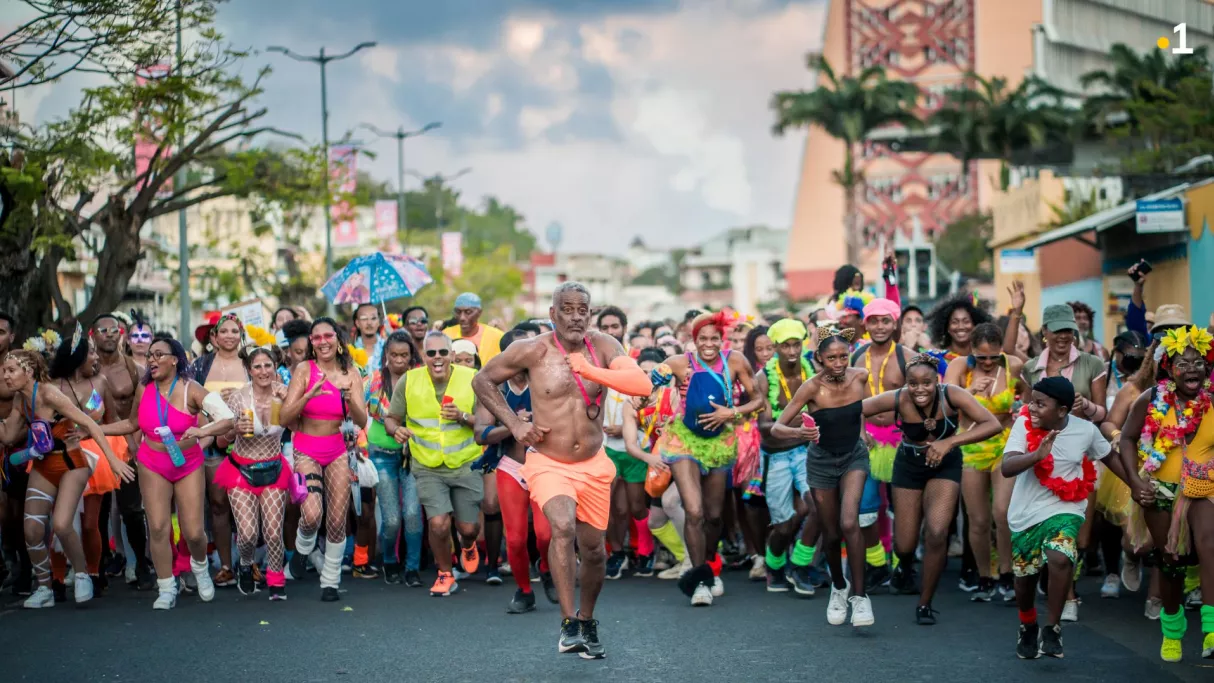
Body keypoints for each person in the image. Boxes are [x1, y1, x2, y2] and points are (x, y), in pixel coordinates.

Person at [472, 281, 652, 659]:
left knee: (595, 552)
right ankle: (568, 623)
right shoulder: (532, 350)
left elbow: (640, 383)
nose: (575, 317)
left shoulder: (604, 346)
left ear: (590, 314)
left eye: (582, 310)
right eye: (566, 309)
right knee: (563, 527)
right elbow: (482, 380)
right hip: (547, 462)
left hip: (594, 464)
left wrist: (590, 369)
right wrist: (516, 424)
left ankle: (587, 619)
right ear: (553, 314)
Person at [862, 353, 1002, 624]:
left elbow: (992, 424)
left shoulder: (953, 394)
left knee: (937, 532)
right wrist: (862, 434)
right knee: (905, 544)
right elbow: (857, 408)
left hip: (945, 466)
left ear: (936, 381)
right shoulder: (898, 398)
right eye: (913, 383)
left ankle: (925, 603)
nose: (919, 389)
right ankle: (903, 564)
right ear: (906, 383)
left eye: (926, 383)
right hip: (909, 466)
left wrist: (950, 442)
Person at [102, 336, 234, 610]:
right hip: (153, 462)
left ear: (175, 359)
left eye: (159, 354)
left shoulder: (192, 390)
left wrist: (203, 431)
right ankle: (166, 587)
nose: (152, 360)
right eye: (149, 355)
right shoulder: (143, 389)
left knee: (194, 532)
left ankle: (199, 568)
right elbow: (132, 423)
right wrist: (96, 430)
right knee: (159, 528)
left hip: (187, 463)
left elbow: (228, 419)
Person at [1002, 377, 1125, 660]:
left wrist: (1137, 484)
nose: (1031, 407)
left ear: (1062, 410)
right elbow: (1007, 468)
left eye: (1040, 403)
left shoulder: (1085, 431)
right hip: (1025, 514)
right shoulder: (1024, 425)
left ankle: (1052, 628)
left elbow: (1110, 458)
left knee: (1060, 556)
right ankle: (1028, 624)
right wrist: (1036, 455)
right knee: (1024, 578)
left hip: (1066, 508)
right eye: (1032, 400)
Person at [2, 346, 132, 608]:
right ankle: (44, 588)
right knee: (32, 530)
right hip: (43, 466)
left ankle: (82, 574)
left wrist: (113, 459)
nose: (5, 376)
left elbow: (91, 423)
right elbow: (7, 436)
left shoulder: (50, 394)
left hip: (72, 463)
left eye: (10, 370)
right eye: (3, 370)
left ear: (28, 372)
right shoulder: (20, 400)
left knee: (62, 524)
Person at [651, 309, 763, 607]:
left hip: (719, 442)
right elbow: (650, 383)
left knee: (714, 517)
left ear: (721, 339)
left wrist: (733, 412)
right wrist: (652, 382)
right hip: (684, 442)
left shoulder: (736, 361)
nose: (709, 344)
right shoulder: (679, 363)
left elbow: (758, 399)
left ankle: (710, 565)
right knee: (695, 510)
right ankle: (699, 580)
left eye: (714, 338)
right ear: (693, 339)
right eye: (703, 339)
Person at [1119, 324, 1214, 663]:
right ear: (1169, 368)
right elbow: (1127, 440)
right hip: (1159, 489)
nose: (1192, 369)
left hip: (1205, 490)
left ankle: (1212, 631)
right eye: (1183, 363)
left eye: (1199, 362)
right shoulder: (1152, 399)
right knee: (1171, 561)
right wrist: (1135, 481)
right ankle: (1172, 631)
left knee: (1210, 547)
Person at [771, 324, 873, 627]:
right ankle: (838, 588)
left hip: (854, 456)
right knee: (830, 534)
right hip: (821, 462)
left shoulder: (860, 376)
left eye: (844, 356)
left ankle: (860, 597)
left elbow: (862, 409)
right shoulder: (811, 387)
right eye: (832, 358)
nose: (839, 363)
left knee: (849, 522)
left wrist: (864, 432)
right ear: (819, 358)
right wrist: (799, 432)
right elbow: (777, 428)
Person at [1022, 303, 1108, 621]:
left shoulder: (1092, 363)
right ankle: (1067, 595)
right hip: (1043, 453)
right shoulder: (1031, 368)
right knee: (1047, 527)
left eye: (1068, 330)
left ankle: (1061, 577)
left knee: (1080, 536)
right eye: (1056, 329)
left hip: (1081, 453)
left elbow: (1104, 414)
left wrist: (1086, 408)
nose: (1063, 336)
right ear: (1044, 332)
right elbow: (1026, 410)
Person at [385, 332, 484, 597]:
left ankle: (468, 544)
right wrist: (397, 430)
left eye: (442, 353)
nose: (437, 358)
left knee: (468, 528)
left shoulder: (472, 378)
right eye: (431, 353)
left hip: (465, 463)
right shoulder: (409, 380)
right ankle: (445, 574)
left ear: (452, 355)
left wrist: (463, 417)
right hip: (427, 466)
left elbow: (489, 422)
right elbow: (392, 418)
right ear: (424, 356)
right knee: (439, 524)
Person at [279, 318, 368, 602]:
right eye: (316, 338)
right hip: (305, 448)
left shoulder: (351, 373)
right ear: (311, 345)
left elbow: (362, 419)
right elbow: (285, 417)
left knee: (337, 520)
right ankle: (302, 552)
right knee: (312, 514)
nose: (323, 341)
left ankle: (330, 581)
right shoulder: (304, 370)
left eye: (328, 335)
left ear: (338, 340)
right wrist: (308, 395)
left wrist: (349, 399)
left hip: (339, 449)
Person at [474, 327, 558, 613]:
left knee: (546, 534)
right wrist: (513, 423)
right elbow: (480, 435)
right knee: (517, 538)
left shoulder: (546, 382)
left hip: (544, 464)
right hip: (510, 466)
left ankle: (545, 568)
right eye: (520, 351)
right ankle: (524, 591)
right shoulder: (495, 388)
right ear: (507, 356)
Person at [943, 322, 1025, 604]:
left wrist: (1020, 409)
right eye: (982, 357)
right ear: (971, 351)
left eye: (993, 356)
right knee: (977, 519)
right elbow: (945, 405)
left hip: (1005, 445)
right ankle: (984, 577)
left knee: (1002, 512)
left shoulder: (1013, 365)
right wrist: (970, 392)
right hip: (970, 445)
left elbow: (1029, 395)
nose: (988, 363)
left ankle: (1007, 574)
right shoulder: (959, 368)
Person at [50, 332, 127, 597]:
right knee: (58, 522)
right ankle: (57, 579)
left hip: (95, 456)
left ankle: (93, 573)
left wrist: (89, 431)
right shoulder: (53, 385)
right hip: (59, 455)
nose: (96, 357)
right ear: (76, 358)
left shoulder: (101, 382)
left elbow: (113, 421)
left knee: (90, 523)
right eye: (90, 353)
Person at [213, 348, 291, 599]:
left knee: (272, 532)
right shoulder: (238, 398)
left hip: (273, 468)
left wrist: (290, 402)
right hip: (241, 471)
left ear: (276, 366)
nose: (263, 371)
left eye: (268, 365)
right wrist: (234, 429)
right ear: (248, 370)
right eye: (257, 367)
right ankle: (245, 564)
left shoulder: (285, 394)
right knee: (247, 534)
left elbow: (300, 425)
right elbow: (221, 443)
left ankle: (276, 579)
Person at [755, 318, 822, 594]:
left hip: (807, 453)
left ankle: (800, 563)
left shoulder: (813, 371)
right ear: (775, 347)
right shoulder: (762, 378)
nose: (792, 352)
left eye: (797, 345)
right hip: (777, 457)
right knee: (783, 527)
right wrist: (801, 427)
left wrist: (793, 429)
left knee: (820, 507)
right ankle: (774, 566)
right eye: (786, 346)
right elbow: (765, 429)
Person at [851, 296, 911, 593]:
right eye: (873, 320)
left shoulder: (907, 356)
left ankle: (903, 567)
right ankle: (877, 565)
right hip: (868, 441)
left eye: (885, 320)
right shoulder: (856, 357)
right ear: (866, 324)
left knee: (904, 509)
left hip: (901, 440)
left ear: (894, 323)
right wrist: (860, 431)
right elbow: (850, 400)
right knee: (865, 509)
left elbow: (922, 396)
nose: (879, 326)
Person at [91, 312, 153, 589]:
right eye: (102, 330)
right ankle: (99, 565)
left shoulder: (134, 369)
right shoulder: (85, 370)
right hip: (95, 443)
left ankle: (141, 564)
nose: (109, 334)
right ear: (93, 335)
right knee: (98, 510)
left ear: (121, 334)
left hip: (129, 443)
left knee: (131, 509)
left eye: (113, 329)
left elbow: (141, 412)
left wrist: (135, 443)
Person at [598, 305, 656, 579]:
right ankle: (617, 553)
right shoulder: (596, 363)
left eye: (614, 327)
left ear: (623, 328)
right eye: (605, 328)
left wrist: (626, 427)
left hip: (636, 445)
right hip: (606, 447)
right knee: (615, 507)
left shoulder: (637, 361)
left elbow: (652, 402)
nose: (610, 332)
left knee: (636, 505)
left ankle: (645, 551)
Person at [191, 312, 249, 589]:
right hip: (212, 444)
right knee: (219, 505)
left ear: (241, 335)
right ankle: (226, 565)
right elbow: (189, 401)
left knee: (251, 505)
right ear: (213, 337)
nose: (229, 336)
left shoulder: (250, 363)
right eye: (223, 331)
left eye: (234, 331)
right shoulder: (200, 366)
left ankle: (251, 563)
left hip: (249, 443)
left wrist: (237, 399)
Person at [365, 331, 423, 588]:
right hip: (382, 453)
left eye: (404, 355)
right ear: (385, 355)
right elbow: (359, 413)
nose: (398, 360)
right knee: (391, 519)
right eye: (393, 355)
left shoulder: (421, 379)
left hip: (414, 453)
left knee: (412, 513)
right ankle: (389, 560)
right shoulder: (374, 380)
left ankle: (412, 567)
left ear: (412, 357)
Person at [925, 292, 993, 372]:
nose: (961, 327)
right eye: (955, 322)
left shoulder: (985, 358)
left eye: (966, 321)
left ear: (975, 325)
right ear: (947, 327)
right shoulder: (936, 359)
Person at [444, 293, 505, 365]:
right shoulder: (445, 336)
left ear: (479, 312)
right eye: (458, 312)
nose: (462, 317)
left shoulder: (496, 337)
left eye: (468, 312)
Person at [352, 303, 387, 374]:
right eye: (364, 318)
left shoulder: (388, 347)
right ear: (357, 323)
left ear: (379, 322)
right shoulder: (351, 350)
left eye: (373, 318)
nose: (369, 323)